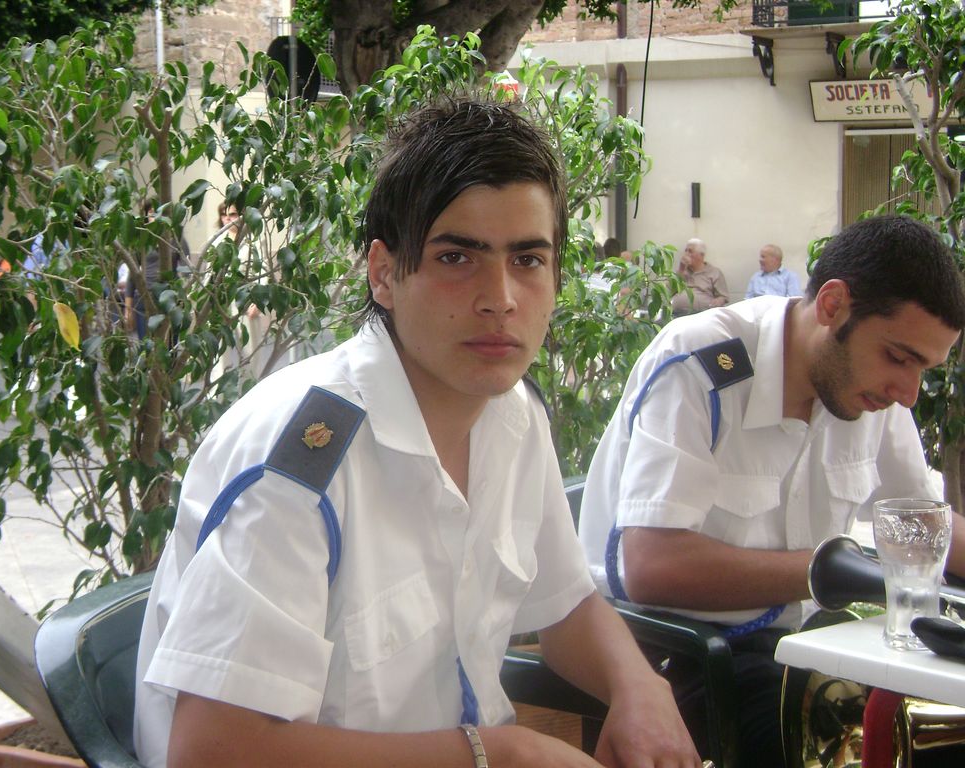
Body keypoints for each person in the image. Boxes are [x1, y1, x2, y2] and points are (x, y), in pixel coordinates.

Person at [134, 99, 701, 768]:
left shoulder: (512, 415)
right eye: (457, 257)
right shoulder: (301, 460)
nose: (500, 298)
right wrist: (500, 755)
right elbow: (211, 751)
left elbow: (565, 603)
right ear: (384, 273)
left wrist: (639, 687)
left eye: (527, 259)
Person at [579, 214, 965, 766]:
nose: (908, 392)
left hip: (803, 647)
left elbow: (925, 528)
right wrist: (827, 571)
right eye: (900, 358)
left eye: (924, 368)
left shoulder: (870, 390)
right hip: (675, 652)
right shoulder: (701, 364)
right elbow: (650, 565)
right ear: (833, 306)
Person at [124, 199, 190, 339]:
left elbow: (186, 270)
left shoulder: (177, 239)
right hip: (144, 297)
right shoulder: (141, 239)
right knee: (146, 344)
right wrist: (128, 308)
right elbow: (132, 275)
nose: (157, 217)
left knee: (170, 345)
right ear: (146, 216)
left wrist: (182, 296)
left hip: (170, 300)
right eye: (152, 213)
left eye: (162, 213)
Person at [670, 238, 728, 315]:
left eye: (690, 251)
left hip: (703, 314)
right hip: (677, 314)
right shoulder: (680, 271)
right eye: (685, 251)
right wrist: (681, 269)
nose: (686, 254)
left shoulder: (714, 272)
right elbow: (670, 291)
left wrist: (718, 301)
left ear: (701, 255)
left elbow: (723, 297)